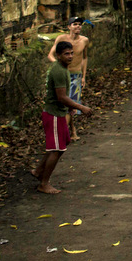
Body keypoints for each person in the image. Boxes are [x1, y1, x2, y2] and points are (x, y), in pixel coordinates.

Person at [32, 40, 93, 194]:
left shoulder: (63, 68)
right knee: (56, 148)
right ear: (58, 55)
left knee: (63, 142)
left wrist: (69, 108)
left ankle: (39, 170)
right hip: (53, 114)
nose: (70, 56)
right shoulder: (58, 71)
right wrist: (79, 107)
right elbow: (61, 97)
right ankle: (44, 183)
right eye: (66, 54)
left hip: (59, 113)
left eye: (71, 53)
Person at [47, 17, 90, 141]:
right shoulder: (62, 39)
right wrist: (60, 67)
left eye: (80, 24)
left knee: (72, 105)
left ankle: (69, 131)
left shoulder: (84, 40)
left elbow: (85, 58)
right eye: (75, 24)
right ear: (69, 27)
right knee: (64, 103)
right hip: (62, 76)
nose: (78, 27)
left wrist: (83, 75)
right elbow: (50, 55)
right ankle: (67, 131)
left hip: (75, 75)